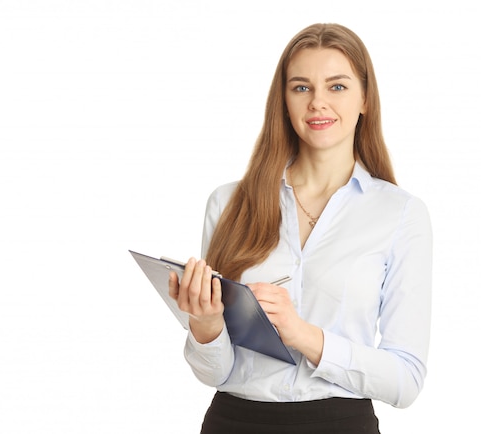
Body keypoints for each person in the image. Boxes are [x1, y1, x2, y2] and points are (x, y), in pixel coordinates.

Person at [167, 23, 433, 434]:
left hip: (341, 424)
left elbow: (406, 381)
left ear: (365, 98)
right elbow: (214, 373)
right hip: (234, 422)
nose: (318, 103)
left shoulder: (400, 215)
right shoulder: (228, 203)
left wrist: (305, 336)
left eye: (338, 87)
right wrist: (205, 325)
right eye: (302, 88)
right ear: (284, 100)